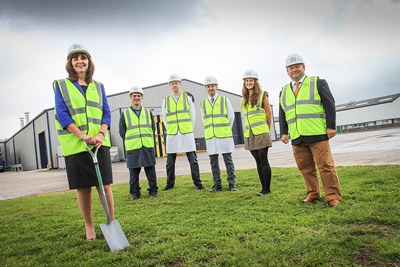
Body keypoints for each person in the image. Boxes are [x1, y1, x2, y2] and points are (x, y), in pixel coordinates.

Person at [53, 44, 114, 240]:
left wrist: (101, 134)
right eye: (75, 58)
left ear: (89, 61)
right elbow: (62, 114)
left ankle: (111, 222)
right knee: (84, 187)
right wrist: (81, 135)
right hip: (77, 144)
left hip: (98, 143)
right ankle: (89, 227)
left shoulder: (99, 86)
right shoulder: (61, 85)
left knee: (104, 185)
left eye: (83, 57)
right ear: (70, 63)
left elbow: (106, 112)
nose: (80, 61)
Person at [279, 53, 342, 207]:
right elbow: (282, 113)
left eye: (297, 66)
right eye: (290, 68)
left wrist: (331, 126)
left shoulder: (318, 83)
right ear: (287, 71)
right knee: (305, 168)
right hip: (297, 136)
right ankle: (313, 194)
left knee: (325, 166)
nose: (294, 70)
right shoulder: (284, 91)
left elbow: (329, 104)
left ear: (303, 67)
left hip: (317, 134)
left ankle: (333, 196)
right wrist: (284, 132)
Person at [162, 74, 204, 190]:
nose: (174, 85)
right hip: (172, 133)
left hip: (186, 132)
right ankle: (170, 184)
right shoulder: (166, 100)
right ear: (170, 85)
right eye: (172, 83)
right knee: (170, 162)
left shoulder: (187, 98)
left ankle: (198, 183)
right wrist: (171, 129)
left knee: (193, 160)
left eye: (176, 82)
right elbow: (165, 118)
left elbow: (193, 116)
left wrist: (188, 128)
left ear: (180, 84)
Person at [119, 86, 158, 200]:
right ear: (130, 97)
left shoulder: (148, 112)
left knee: (151, 171)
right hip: (133, 147)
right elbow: (122, 132)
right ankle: (135, 194)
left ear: (142, 97)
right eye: (134, 95)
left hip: (147, 145)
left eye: (138, 95)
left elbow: (152, 128)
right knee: (133, 173)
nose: (136, 98)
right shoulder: (125, 114)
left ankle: (153, 191)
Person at [200, 76, 238, 192]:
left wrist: (224, 130)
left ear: (217, 87)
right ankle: (217, 185)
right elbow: (203, 120)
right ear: (205, 88)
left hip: (224, 135)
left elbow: (231, 117)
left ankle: (232, 184)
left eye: (212, 86)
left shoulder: (224, 100)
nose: (210, 88)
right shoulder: (203, 103)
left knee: (228, 160)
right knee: (213, 162)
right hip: (211, 136)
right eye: (208, 86)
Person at [241, 69, 273, 196]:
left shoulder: (262, 95)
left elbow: (268, 113)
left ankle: (266, 189)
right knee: (258, 162)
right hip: (250, 134)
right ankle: (263, 188)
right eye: (246, 80)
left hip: (261, 133)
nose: (249, 82)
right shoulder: (243, 99)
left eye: (251, 80)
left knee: (263, 160)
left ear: (255, 82)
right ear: (244, 83)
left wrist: (267, 129)